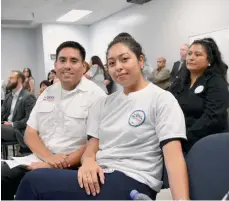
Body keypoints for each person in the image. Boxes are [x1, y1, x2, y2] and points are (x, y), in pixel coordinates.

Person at [16, 36, 189, 200]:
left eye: (124, 59)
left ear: (141, 60)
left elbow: (173, 157)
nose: (118, 67)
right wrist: (89, 161)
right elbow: (92, 147)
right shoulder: (105, 103)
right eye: (112, 63)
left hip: (135, 180)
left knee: (33, 182)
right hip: (100, 173)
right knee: (37, 179)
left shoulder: (161, 99)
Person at [1, 41, 106, 200]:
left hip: (73, 166)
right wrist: (49, 158)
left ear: (84, 66)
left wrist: (53, 164)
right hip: (41, 158)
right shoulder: (47, 93)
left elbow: (96, 142)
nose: (67, 65)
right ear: (56, 64)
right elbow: (30, 133)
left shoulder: (96, 96)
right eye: (62, 60)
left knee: (32, 183)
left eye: (74, 61)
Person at [170, 38, 229, 153]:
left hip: (203, 141)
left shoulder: (216, 82)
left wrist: (184, 137)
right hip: (176, 136)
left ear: (209, 60)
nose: (191, 58)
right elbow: (166, 104)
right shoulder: (180, 81)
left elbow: (213, 118)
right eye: (189, 54)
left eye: (198, 55)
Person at [1, 71, 36, 149]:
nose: (8, 80)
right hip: (5, 126)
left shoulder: (28, 97)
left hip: (18, 130)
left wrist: (13, 124)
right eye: (9, 78)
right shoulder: (8, 96)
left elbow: (30, 119)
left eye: (11, 78)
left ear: (19, 80)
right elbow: (2, 112)